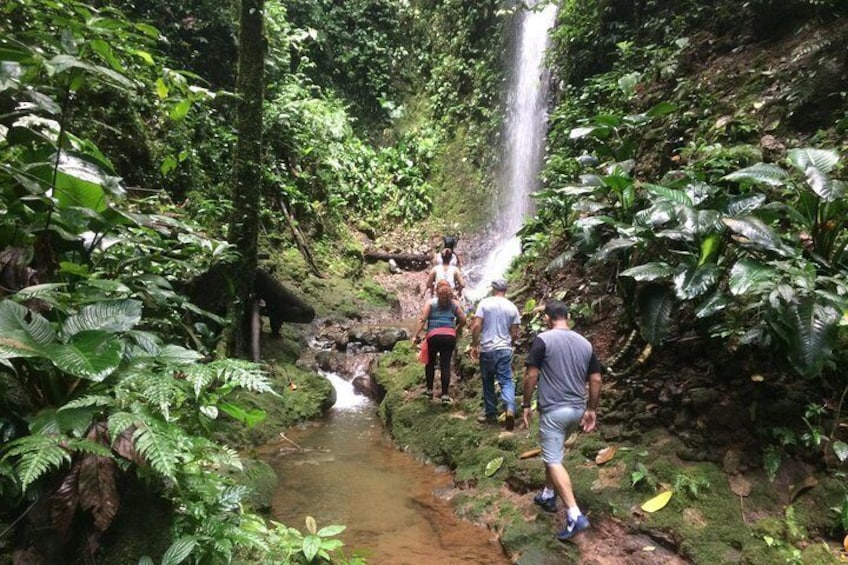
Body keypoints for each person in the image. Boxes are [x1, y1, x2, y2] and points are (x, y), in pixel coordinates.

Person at [521, 300, 602, 542]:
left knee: (553, 459)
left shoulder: (543, 340)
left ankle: (575, 514)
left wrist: (526, 403)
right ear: (568, 317)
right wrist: (592, 409)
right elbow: (596, 379)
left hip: (554, 410)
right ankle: (548, 494)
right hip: (576, 410)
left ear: (547, 318)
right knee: (553, 452)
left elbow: (531, 374)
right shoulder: (585, 343)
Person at [469, 278, 521, 430]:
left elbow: (477, 325)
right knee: (506, 380)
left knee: (488, 381)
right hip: (504, 348)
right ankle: (510, 408)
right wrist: (509, 343)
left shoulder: (485, 303)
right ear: (506, 290)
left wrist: (474, 343)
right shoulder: (512, 307)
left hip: (488, 349)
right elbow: (515, 332)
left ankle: (490, 413)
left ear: (493, 289)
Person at [411, 280, 467, 404]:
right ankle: (445, 395)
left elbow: (422, 320)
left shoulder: (431, 303)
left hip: (434, 336)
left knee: (430, 363)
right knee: (445, 364)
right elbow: (463, 319)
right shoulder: (455, 304)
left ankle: (429, 391)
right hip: (449, 336)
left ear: (436, 291)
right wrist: (456, 330)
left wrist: (415, 335)